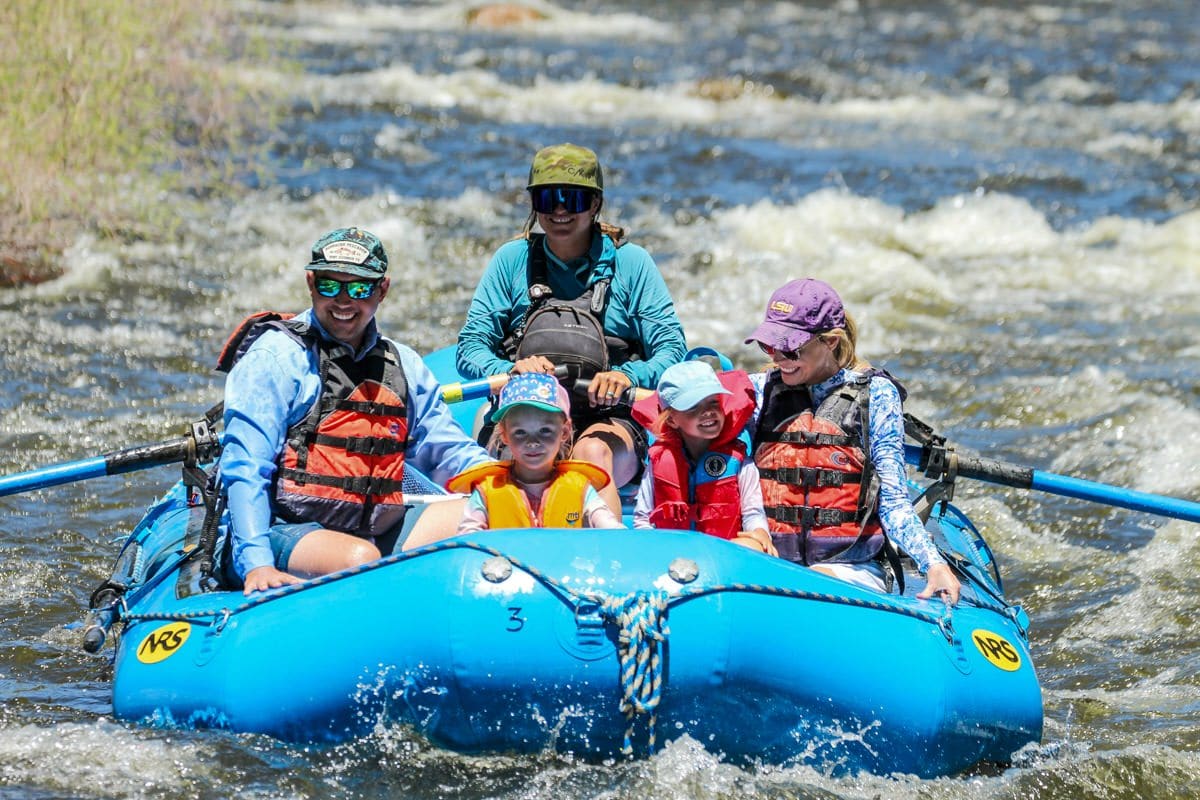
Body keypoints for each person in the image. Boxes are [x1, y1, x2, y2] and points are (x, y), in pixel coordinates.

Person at [218, 227, 491, 594]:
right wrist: (256, 563)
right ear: (311, 282)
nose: (344, 301)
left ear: (383, 290)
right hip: (285, 528)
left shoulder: (402, 364)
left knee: (492, 510)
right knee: (359, 559)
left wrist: (518, 481)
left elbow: (446, 450)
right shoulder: (275, 358)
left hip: (375, 527)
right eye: (331, 286)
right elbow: (247, 467)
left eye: (360, 288)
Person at [456, 143, 687, 515]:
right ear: (534, 203)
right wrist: (509, 369)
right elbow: (470, 348)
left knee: (590, 453)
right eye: (548, 198)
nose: (560, 210)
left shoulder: (632, 263)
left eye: (573, 199)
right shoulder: (511, 260)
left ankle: (602, 554)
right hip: (525, 408)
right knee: (523, 456)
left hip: (606, 416)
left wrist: (625, 376)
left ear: (595, 204)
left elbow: (672, 351)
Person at [744, 278, 961, 604]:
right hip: (771, 557)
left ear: (830, 341)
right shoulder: (758, 391)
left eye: (790, 349)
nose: (778, 358)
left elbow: (892, 501)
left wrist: (932, 562)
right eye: (769, 346)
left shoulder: (875, 395)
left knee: (808, 591)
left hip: (849, 566)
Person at [631, 360, 777, 556]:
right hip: (673, 554)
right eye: (693, 407)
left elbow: (753, 512)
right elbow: (643, 519)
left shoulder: (740, 463)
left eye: (713, 402)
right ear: (672, 419)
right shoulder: (658, 463)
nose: (708, 412)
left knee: (754, 545)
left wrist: (759, 532)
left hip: (722, 554)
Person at [448, 372, 624, 532]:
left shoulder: (580, 488)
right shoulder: (487, 490)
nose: (532, 442)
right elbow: (467, 537)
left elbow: (611, 532)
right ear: (504, 435)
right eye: (520, 432)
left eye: (545, 431)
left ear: (564, 432)